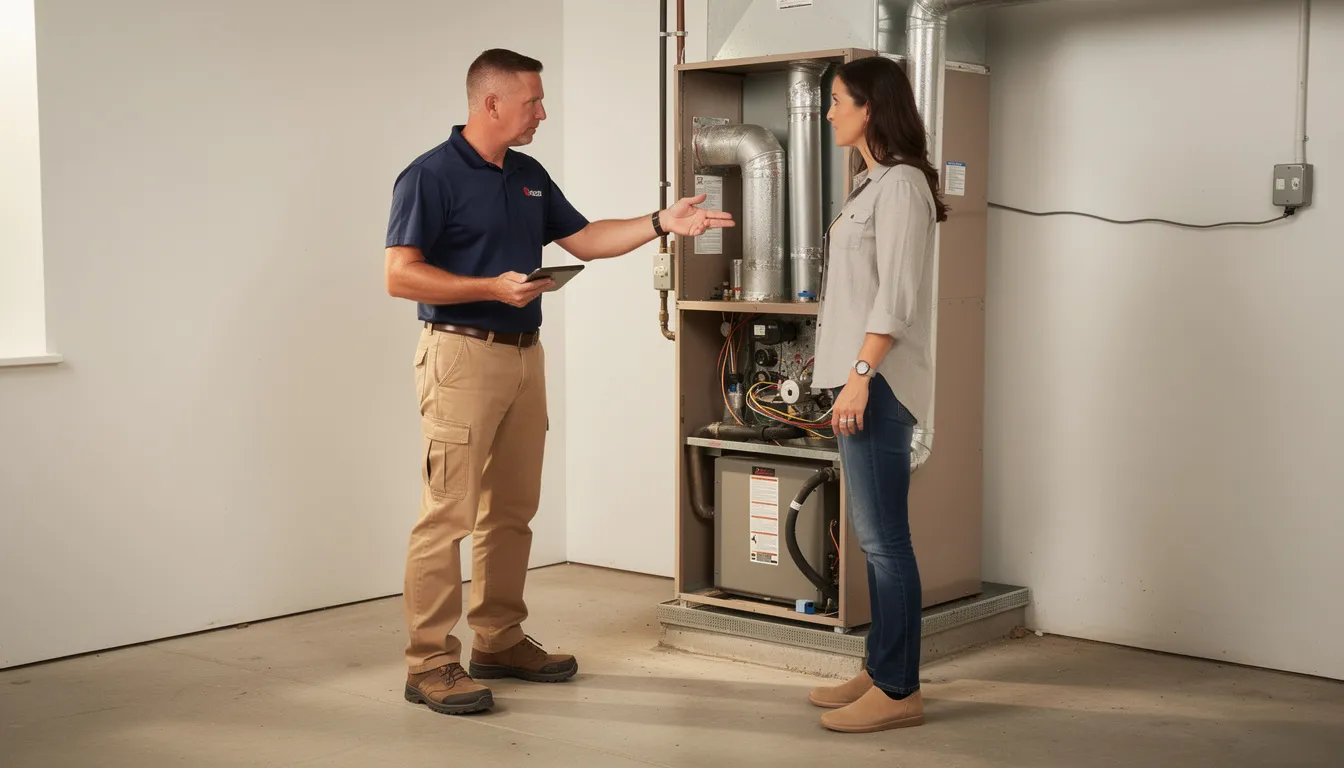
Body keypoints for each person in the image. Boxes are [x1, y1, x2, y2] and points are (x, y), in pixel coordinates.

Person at [383, 48, 733, 716]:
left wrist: (664, 223)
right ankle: (429, 662)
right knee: (448, 515)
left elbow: (585, 238)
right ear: (491, 103)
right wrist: (488, 286)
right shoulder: (429, 177)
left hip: (524, 354)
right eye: (532, 101)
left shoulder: (528, 174)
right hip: (459, 355)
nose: (543, 112)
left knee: (512, 509)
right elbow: (400, 274)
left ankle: (498, 639)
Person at [805, 56, 948, 733]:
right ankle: (878, 667)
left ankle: (899, 690)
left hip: (878, 384)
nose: (829, 111)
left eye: (837, 100)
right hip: (857, 378)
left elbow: (897, 297)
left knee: (887, 542)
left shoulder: (902, 189)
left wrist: (860, 378)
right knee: (874, 538)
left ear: (870, 107)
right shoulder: (872, 184)